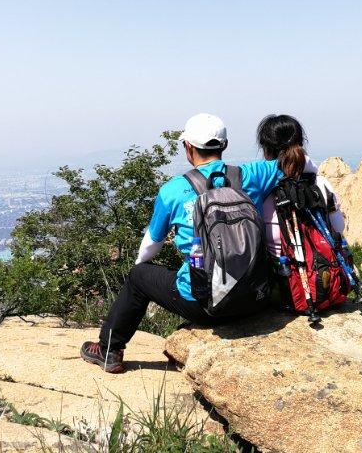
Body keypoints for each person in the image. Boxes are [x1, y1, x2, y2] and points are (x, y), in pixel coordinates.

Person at [80, 112, 316, 373]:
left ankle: (108, 349)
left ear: (188, 147)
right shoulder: (254, 174)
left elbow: (150, 247)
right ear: (224, 146)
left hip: (205, 306)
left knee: (139, 276)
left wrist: (141, 270)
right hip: (256, 298)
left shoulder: (172, 190)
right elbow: (300, 161)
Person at [257, 114, 345, 262]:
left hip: (278, 275)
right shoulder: (321, 183)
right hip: (319, 273)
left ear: (266, 150)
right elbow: (338, 228)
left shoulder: (261, 189)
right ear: (300, 145)